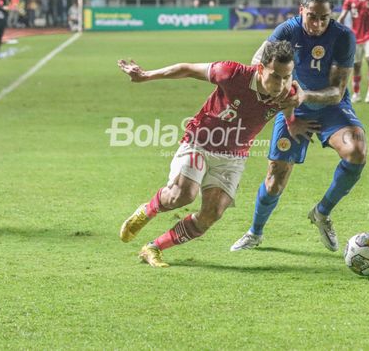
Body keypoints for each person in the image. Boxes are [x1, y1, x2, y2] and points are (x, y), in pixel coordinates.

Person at [118, 41, 298, 268]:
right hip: (200, 142)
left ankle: (153, 248)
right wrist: (146, 76)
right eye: (275, 76)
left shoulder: (288, 93)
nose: (281, 84)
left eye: (287, 77)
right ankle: (148, 210)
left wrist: (293, 122)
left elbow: (291, 108)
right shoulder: (232, 74)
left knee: (211, 214)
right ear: (261, 69)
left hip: (233, 156)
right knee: (183, 195)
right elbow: (188, 68)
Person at [230, 0, 366, 253]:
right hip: (292, 105)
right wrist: (289, 109)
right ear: (300, 10)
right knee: (275, 179)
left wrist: (304, 96)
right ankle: (255, 233)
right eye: (312, 16)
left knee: (357, 151)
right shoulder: (287, 31)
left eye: (324, 18)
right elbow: (258, 62)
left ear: (332, 15)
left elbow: (337, 91)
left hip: (330, 106)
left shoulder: (343, 37)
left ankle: (322, 212)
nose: (317, 24)